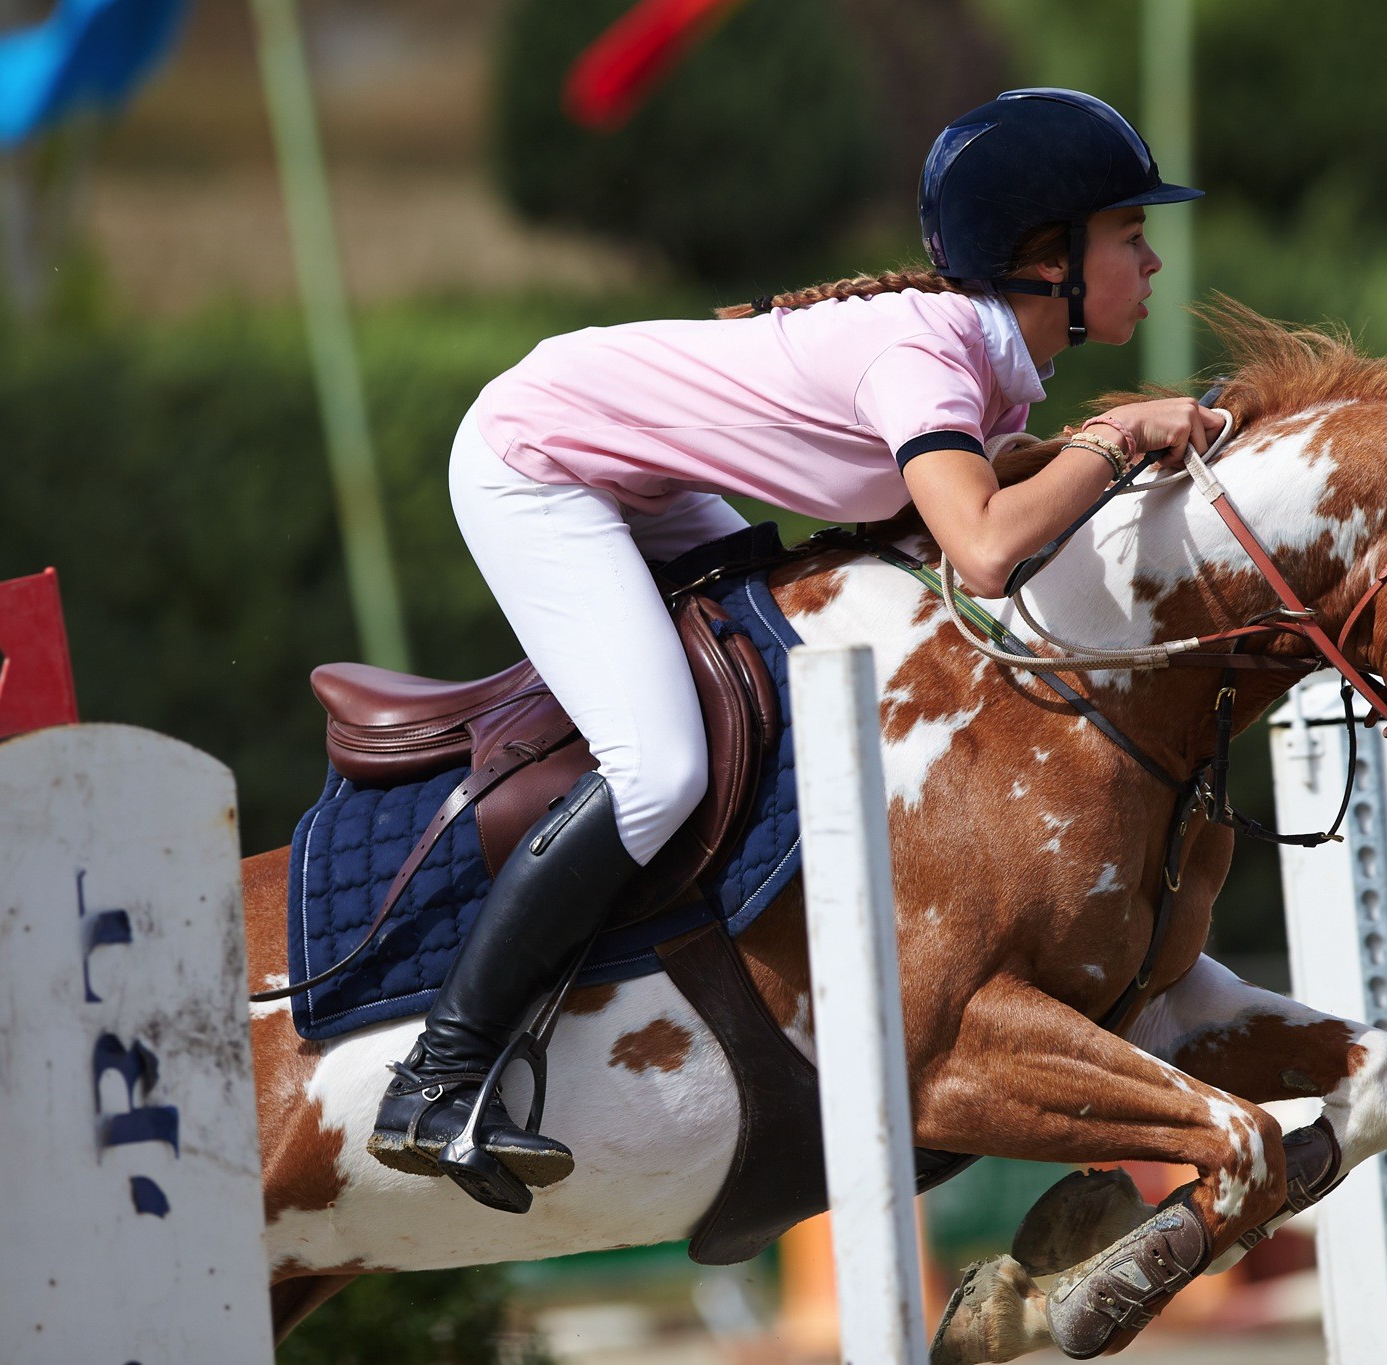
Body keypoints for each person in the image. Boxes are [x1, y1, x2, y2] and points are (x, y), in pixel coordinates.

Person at [368, 87, 1224, 1211]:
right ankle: (437, 1075)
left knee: (782, 697)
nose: (1154, 261)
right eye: (1130, 234)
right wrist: (1119, 437)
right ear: (1045, 255)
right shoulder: (926, 356)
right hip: (541, 462)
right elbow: (978, 547)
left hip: (650, 480)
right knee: (661, 768)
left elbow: (983, 502)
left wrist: (1121, 451)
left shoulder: (984, 355)